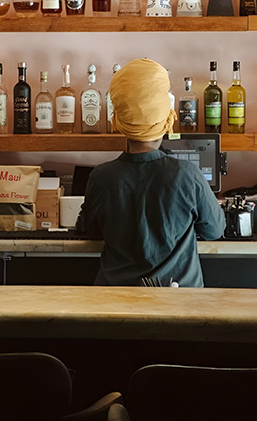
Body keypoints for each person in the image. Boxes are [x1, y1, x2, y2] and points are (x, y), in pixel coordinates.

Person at [76, 58, 225, 287]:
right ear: (167, 119)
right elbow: (214, 230)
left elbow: (90, 229)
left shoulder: (101, 177)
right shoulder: (187, 174)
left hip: (114, 306)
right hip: (178, 307)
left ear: (118, 119)